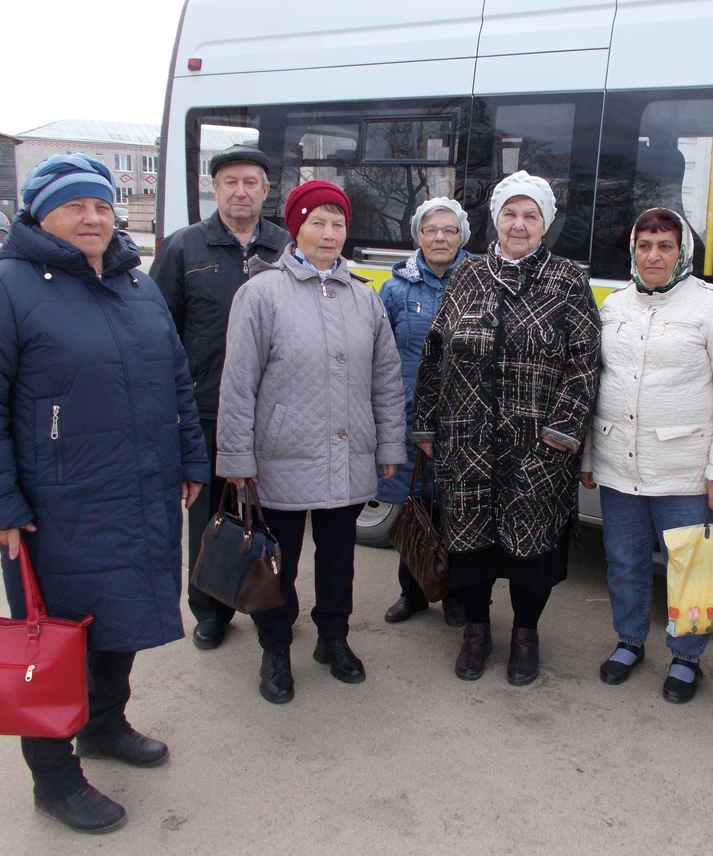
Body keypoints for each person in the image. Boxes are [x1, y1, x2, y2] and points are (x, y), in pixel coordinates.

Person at [0, 154, 209, 834]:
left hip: (139, 491)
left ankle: (104, 724)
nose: (93, 218)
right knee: (50, 645)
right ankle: (54, 779)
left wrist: (189, 459)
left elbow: (176, 378)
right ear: (39, 214)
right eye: (74, 206)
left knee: (120, 619)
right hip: (51, 508)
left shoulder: (133, 284)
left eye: (102, 205)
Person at [217, 179, 406, 705]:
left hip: (347, 457)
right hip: (280, 459)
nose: (328, 233)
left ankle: (334, 638)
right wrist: (236, 458)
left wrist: (390, 446)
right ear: (295, 228)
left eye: (338, 223)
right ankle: (275, 648)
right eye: (317, 222)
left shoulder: (364, 297)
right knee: (279, 560)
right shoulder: (261, 293)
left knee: (339, 557)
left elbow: (386, 380)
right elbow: (238, 382)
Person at [414, 171, 601, 686]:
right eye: (510, 214)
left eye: (530, 215)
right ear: (495, 219)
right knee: (469, 548)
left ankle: (525, 634)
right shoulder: (468, 277)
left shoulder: (567, 280)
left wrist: (560, 436)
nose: (519, 225)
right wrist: (425, 425)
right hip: (466, 440)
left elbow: (584, 365)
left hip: (537, 447)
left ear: (546, 224)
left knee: (532, 550)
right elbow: (434, 355)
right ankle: (476, 632)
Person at [580, 208, 713, 703]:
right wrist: (591, 458)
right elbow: (597, 386)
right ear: (633, 250)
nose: (653, 255)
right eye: (644, 245)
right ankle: (630, 640)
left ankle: (686, 657)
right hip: (619, 463)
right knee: (625, 561)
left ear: (684, 253)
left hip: (685, 470)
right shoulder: (614, 305)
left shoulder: (712, 307)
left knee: (690, 566)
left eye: (665, 246)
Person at [149, 145, 290, 651]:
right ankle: (210, 608)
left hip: (273, 407)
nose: (241, 191)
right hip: (205, 406)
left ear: (266, 189)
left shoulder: (286, 246)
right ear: (215, 188)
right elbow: (158, 330)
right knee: (210, 514)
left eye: (251, 181)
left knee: (269, 514)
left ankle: (268, 600)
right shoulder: (185, 248)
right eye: (230, 181)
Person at [378, 197, 472, 627]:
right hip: (410, 418)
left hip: (462, 418)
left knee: (456, 509)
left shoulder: (478, 279)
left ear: (461, 237)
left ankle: (452, 593)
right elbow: (380, 354)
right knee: (414, 507)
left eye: (449, 230)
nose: (440, 237)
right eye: (430, 229)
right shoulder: (396, 288)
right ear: (417, 235)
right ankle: (413, 591)